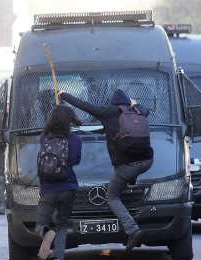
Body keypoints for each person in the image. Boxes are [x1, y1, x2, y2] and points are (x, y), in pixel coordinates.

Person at [59, 89, 154, 251]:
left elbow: (83, 105)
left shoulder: (108, 112)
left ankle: (133, 230)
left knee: (111, 196)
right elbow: (146, 109)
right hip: (147, 161)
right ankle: (130, 183)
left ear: (113, 103)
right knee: (128, 175)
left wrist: (63, 95)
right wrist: (134, 103)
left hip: (126, 166)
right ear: (127, 102)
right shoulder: (139, 111)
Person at [35, 105, 83, 260]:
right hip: (68, 187)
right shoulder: (76, 140)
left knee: (41, 224)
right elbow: (76, 161)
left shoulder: (44, 137)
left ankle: (47, 232)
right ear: (70, 120)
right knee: (62, 225)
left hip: (48, 189)